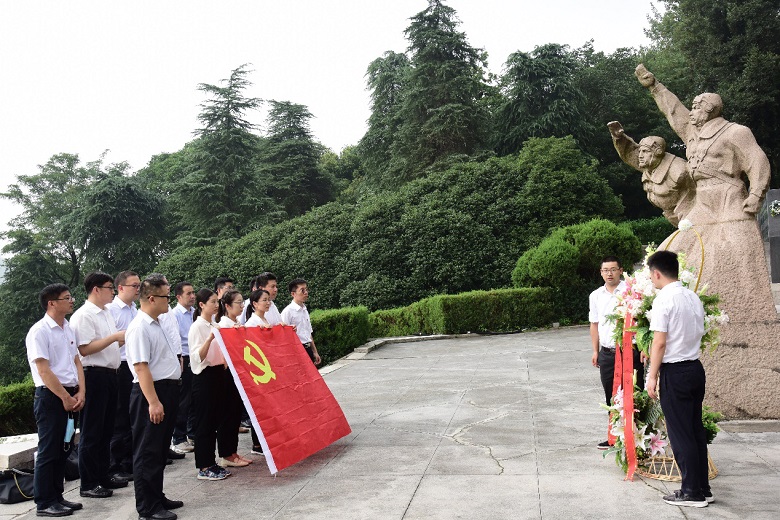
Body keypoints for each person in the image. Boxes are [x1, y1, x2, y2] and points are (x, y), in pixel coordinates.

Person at [635, 63, 775, 323]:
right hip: (702, 203)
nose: (691, 112)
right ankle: (664, 305)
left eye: (697, 107)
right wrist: (655, 87)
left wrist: (756, 195)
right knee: (675, 248)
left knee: (741, 250)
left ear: (710, 110)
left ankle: (754, 311)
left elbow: (757, 160)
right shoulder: (692, 134)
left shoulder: (735, 132)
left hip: (729, 198)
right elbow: (673, 111)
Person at [645, 250, 710, 508]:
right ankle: (702, 488)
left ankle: (691, 491)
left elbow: (659, 343)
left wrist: (652, 376)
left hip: (676, 372)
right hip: (695, 368)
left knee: (681, 433)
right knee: (694, 430)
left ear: (656, 273)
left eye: (650, 275)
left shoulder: (664, 299)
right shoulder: (692, 296)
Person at [126, 274, 184, 520]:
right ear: (151, 298)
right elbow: (141, 367)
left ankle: (156, 496)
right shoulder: (140, 327)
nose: (168, 301)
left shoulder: (157, 323)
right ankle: (148, 508)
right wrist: (153, 401)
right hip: (151, 392)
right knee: (147, 451)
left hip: (167, 390)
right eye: (166, 296)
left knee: (159, 449)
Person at [26, 284, 85, 517]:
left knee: (65, 448)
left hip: (71, 395)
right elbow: (44, 370)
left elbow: (76, 361)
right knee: (49, 450)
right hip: (51, 397)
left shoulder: (67, 328)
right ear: (52, 303)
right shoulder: (39, 331)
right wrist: (65, 397)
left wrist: (81, 392)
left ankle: (57, 496)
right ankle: (44, 502)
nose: (72, 301)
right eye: (67, 298)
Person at [70, 272, 127, 499]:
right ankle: (88, 482)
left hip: (111, 374)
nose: (112, 292)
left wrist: (122, 338)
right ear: (96, 289)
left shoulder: (106, 313)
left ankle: (104, 474)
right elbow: (84, 349)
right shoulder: (84, 315)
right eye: (109, 287)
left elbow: (108, 344)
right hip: (93, 375)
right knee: (92, 431)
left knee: (107, 430)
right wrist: (114, 338)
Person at [589, 256, 644, 450]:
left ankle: (639, 436)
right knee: (611, 395)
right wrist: (595, 350)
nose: (609, 273)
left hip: (631, 351)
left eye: (613, 269)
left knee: (635, 393)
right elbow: (594, 324)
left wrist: (644, 348)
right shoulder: (596, 295)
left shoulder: (632, 291)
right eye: (605, 270)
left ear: (621, 270)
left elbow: (642, 321)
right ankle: (615, 436)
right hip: (608, 353)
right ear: (601, 272)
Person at [608, 121, 693, 226]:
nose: (640, 156)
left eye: (645, 151)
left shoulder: (679, 170)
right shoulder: (649, 165)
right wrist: (619, 138)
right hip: (676, 219)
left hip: (691, 217)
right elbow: (629, 153)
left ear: (658, 152)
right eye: (640, 151)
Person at [188, 289, 231, 481]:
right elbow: (197, 357)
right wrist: (210, 338)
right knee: (204, 423)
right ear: (201, 304)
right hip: (204, 376)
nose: (216, 305)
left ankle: (211, 462)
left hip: (218, 374)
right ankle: (204, 466)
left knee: (214, 421)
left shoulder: (215, 324)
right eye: (212, 302)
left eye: (217, 302)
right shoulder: (197, 327)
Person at [214, 288, 253, 468]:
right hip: (226, 374)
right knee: (227, 415)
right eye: (238, 303)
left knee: (235, 414)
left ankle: (233, 452)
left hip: (238, 373)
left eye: (242, 302)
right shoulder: (223, 325)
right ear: (228, 306)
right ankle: (226, 454)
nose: (242, 306)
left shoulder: (237, 323)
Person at [107, 270, 140, 482]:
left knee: (132, 416)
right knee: (119, 418)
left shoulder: (135, 309)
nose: (138, 289)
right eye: (134, 286)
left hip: (135, 365)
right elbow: (109, 340)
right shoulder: (111, 310)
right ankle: (115, 464)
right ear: (120, 288)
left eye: (139, 285)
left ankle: (129, 462)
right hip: (120, 366)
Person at [170, 282, 196, 455]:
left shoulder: (195, 312)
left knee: (195, 399)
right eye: (188, 293)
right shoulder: (175, 315)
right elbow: (175, 339)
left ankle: (192, 433)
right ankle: (178, 438)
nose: (192, 296)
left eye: (193, 292)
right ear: (178, 296)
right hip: (184, 358)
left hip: (196, 357)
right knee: (183, 400)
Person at [280, 278, 321, 366]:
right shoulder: (287, 312)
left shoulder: (304, 310)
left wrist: (315, 352)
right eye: (302, 290)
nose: (306, 292)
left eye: (306, 289)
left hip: (308, 349)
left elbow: (308, 333)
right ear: (293, 294)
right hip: (297, 351)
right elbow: (283, 335)